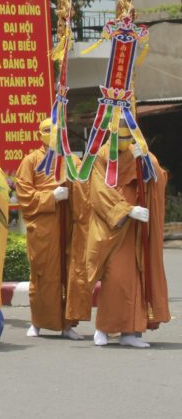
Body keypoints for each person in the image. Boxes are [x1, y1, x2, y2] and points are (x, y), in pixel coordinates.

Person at [86, 127, 170, 347]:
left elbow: (158, 178)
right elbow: (98, 191)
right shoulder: (102, 155)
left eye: (127, 137)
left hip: (137, 227)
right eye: (119, 137)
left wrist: (147, 162)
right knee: (116, 279)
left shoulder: (138, 151)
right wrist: (126, 210)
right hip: (115, 225)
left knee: (136, 279)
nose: (124, 141)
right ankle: (103, 328)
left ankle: (130, 332)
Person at [14, 118, 90, 339]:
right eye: (47, 131)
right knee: (42, 274)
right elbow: (24, 194)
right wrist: (51, 197)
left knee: (69, 273)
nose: (52, 135)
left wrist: (73, 187)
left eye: (56, 131)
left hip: (67, 225)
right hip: (44, 228)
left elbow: (85, 183)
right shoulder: (30, 161)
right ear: (40, 135)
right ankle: (37, 322)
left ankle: (67, 325)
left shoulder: (72, 160)